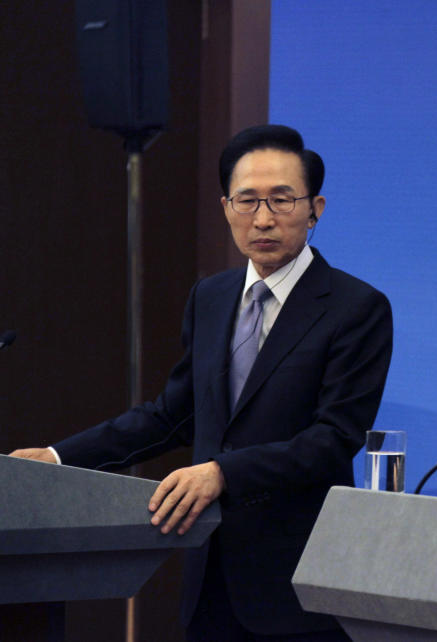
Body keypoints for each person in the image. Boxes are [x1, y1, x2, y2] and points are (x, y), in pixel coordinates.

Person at [11, 124, 393, 641]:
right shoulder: (211, 298)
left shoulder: (356, 308)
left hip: (299, 582)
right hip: (208, 575)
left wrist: (223, 472)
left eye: (282, 200)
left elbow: (334, 439)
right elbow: (174, 415)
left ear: (315, 208)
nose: (263, 218)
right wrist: (58, 458)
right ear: (226, 207)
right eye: (247, 200)